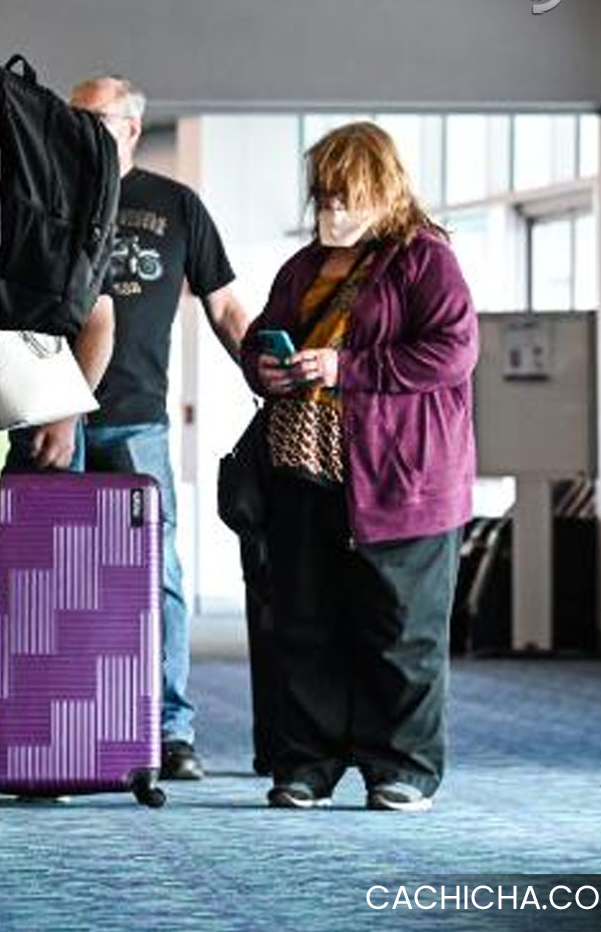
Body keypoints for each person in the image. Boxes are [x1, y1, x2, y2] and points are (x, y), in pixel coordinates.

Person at [242, 121, 475, 813]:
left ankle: (402, 767)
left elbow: (453, 352)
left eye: (346, 195)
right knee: (307, 623)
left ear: (383, 189)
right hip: (307, 470)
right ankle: (307, 764)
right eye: (324, 195)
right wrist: (265, 366)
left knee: (401, 630)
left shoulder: (425, 258)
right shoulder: (305, 266)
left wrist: (347, 368)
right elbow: (260, 336)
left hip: (402, 478)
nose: (333, 208)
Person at [68, 75, 249, 781]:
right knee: (52, 573)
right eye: (73, 120)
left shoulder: (175, 206)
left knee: (158, 576)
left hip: (136, 420)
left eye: (97, 120)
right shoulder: (50, 196)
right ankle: (64, 719)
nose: (82, 133)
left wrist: (269, 376)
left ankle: (171, 729)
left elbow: (227, 309)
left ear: (132, 128)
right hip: (51, 419)